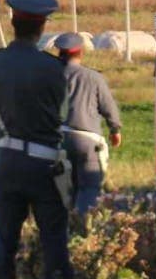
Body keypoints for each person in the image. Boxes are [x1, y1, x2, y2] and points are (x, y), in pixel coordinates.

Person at [0, 0, 72, 279]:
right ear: (42, 27)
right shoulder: (54, 69)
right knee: (54, 242)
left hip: (5, 159)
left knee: (4, 245)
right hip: (44, 163)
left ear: (12, 23)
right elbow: (63, 112)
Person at [53, 32, 123, 235]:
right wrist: (115, 129)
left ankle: (65, 230)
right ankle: (83, 230)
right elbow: (108, 106)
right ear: (80, 52)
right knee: (89, 187)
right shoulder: (93, 77)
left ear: (60, 53)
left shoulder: (50, 78)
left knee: (66, 188)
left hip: (58, 140)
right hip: (87, 140)